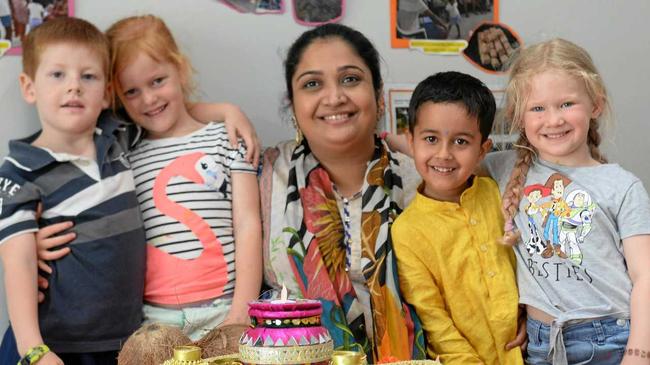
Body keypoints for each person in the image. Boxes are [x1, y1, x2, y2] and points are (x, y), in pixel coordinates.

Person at [260, 23, 426, 363]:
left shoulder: (423, 180)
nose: (334, 97)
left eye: (350, 79)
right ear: (293, 105)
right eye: (312, 84)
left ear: (379, 95)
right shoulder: (263, 177)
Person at [483, 38, 650, 364]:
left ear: (596, 105)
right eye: (538, 108)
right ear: (519, 116)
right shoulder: (502, 167)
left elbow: (645, 275)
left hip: (611, 340)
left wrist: (639, 352)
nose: (553, 120)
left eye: (567, 104)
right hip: (540, 344)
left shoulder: (622, 185)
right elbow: (445, 160)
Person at [104, 14, 262, 340]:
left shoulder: (228, 138)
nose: (148, 99)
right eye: (131, 91)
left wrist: (240, 312)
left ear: (181, 69)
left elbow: (248, 223)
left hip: (226, 309)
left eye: (157, 81)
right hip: (154, 321)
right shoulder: (125, 152)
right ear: (116, 95)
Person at [0, 17, 145, 365]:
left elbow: (168, 116)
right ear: (29, 86)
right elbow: (17, 261)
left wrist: (225, 112)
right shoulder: (19, 171)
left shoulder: (120, 138)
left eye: (88, 76)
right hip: (55, 345)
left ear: (107, 91)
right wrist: (33, 348)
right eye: (57, 74)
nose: (74, 87)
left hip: (123, 342)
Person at [391, 71, 523, 364]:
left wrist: (532, 312)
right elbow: (432, 318)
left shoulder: (501, 195)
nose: (444, 154)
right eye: (430, 138)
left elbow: (531, 264)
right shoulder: (406, 231)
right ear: (411, 141)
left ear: (482, 150)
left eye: (461, 142)